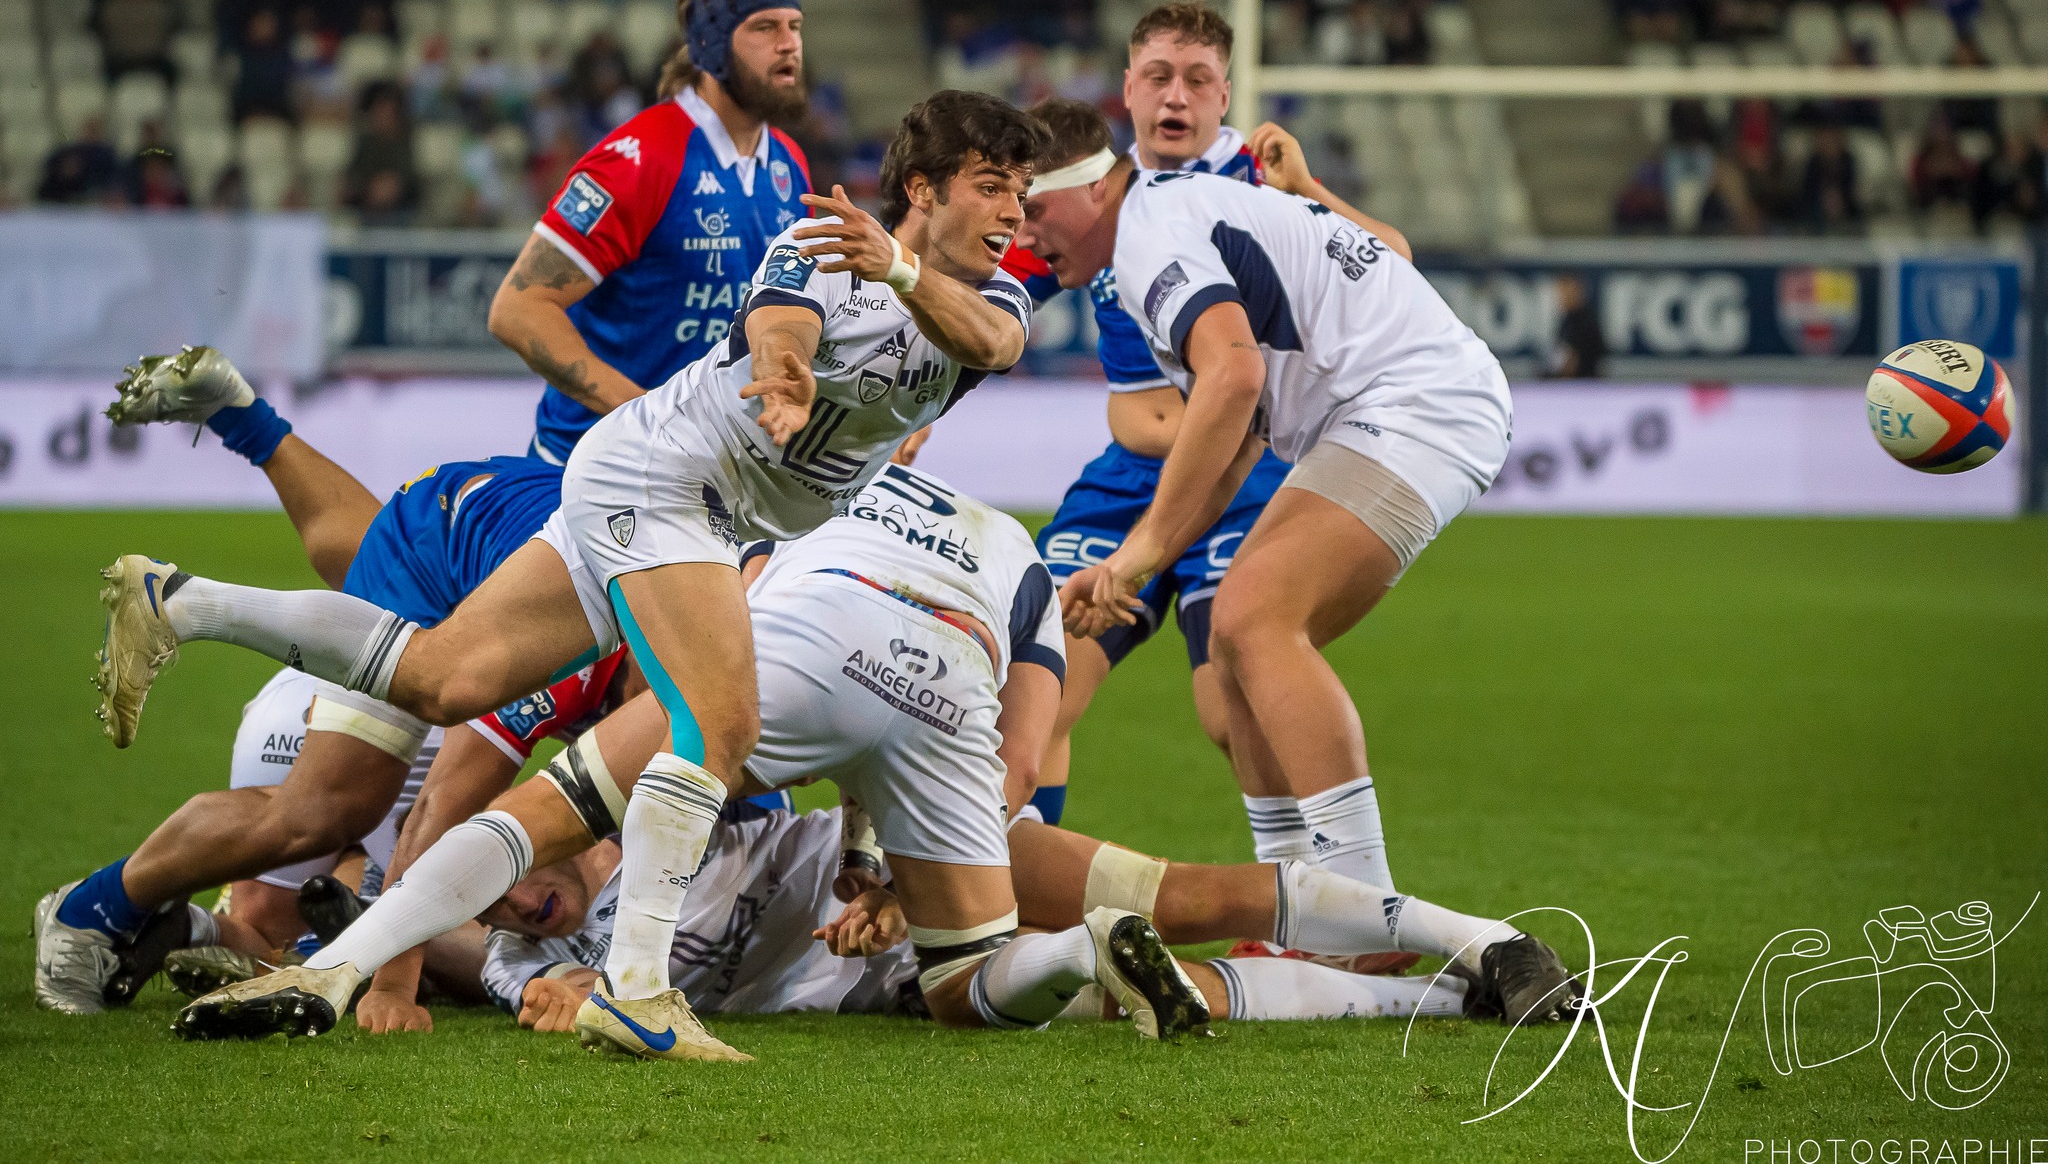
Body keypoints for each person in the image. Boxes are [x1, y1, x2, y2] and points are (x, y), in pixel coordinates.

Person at [96, 92, 1044, 1061]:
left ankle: (184, 602)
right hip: (672, 485)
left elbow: (994, 343)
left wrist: (897, 266)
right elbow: (780, 324)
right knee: (720, 728)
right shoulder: (814, 242)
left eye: (1020, 190)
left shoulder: (987, 294)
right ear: (921, 189)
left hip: (655, 486)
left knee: (441, 678)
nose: (1014, 210)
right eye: (991, 186)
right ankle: (636, 989)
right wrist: (785, 371)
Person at [171, 464, 1211, 1046]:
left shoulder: (708, 563)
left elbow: (465, 792)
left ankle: (350, 942)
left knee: (555, 789)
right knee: (458, 712)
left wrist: (872, 860)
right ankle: (1106, 945)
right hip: (892, 670)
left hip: (749, 631)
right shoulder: (980, 539)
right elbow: (1019, 760)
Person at [1018, 101, 1511, 907]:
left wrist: (1137, 556)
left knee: (1251, 619)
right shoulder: (1162, 216)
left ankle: (1363, 905)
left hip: (1417, 401)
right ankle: (1303, 902)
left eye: (1034, 209)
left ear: (1093, 188)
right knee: (1235, 647)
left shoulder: (1149, 234)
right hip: (1382, 406)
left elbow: (1236, 377)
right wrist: (1134, 563)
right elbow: (1241, 431)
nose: (1024, 235)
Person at [36, 348, 622, 1016]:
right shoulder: (576, 659)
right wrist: (397, 984)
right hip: (443, 547)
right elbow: (442, 808)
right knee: (323, 812)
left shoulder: (698, 634)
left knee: (377, 562)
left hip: (504, 512)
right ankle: (86, 912)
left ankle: (248, 426)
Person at [1004, 0, 1409, 899]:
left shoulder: (1252, 185)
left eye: (1198, 80)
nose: (1176, 97)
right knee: (1039, 676)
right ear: (1127, 89)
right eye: (1158, 76)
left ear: (1226, 95)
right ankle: (1014, 895)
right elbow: (990, 291)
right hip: (1131, 481)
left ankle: (1314, 899)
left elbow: (1393, 261)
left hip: (1251, 467)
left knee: (1232, 704)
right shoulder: (1080, 192)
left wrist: (1305, 188)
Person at [480, 805, 1578, 1033]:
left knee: (1178, 893)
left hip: (924, 844)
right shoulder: (509, 944)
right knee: (1134, 996)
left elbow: (830, 732)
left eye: (517, 877)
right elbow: (486, 964)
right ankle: (1435, 998)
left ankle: (1481, 939)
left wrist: (875, 868)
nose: (525, 904)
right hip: (865, 979)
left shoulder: (651, 780)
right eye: (500, 910)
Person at [489, 0, 813, 465]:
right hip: (589, 472)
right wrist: (646, 420)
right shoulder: (643, 158)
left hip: (712, 476)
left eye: (795, 25)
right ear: (709, 45)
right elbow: (518, 309)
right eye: (764, 26)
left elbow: (789, 314)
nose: (789, 43)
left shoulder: (789, 164)